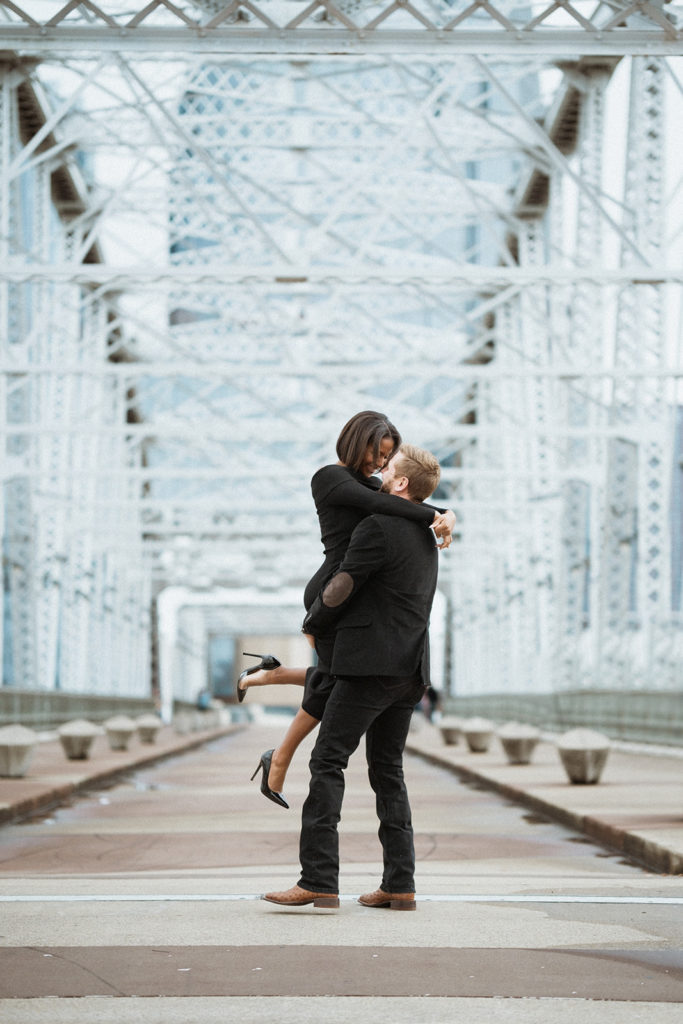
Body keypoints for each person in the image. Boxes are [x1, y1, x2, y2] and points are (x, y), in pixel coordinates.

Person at [240, 411, 454, 807]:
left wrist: (444, 513)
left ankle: (274, 704)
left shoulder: (375, 485)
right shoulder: (329, 477)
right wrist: (438, 516)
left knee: (336, 679)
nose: (380, 463)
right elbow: (389, 503)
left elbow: (403, 496)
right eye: (378, 452)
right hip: (331, 591)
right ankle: (279, 754)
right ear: (358, 441)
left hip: (351, 593)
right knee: (334, 682)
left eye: (387, 458)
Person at [263, 444, 443, 911]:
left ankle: (318, 880)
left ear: (401, 484)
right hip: (409, 670)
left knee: (327, 762)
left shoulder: (378, 526)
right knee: (388, 773)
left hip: (367, 667)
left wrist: (314, 623)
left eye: (390, 469)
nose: (382, 472)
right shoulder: (427, 536)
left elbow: (342, 585)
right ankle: (399, 884)